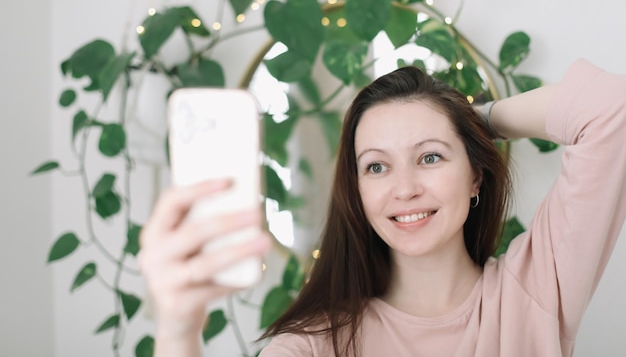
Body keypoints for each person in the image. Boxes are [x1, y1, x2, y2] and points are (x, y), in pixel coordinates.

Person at [139, 59, 626, 357]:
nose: (404, 188)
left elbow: (613, 106)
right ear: (356, 189)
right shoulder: (316, 345)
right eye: (376, 167)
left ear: (475, 174)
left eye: (430, 157)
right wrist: (178, 330)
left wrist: (471, 124)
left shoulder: (533, 294)